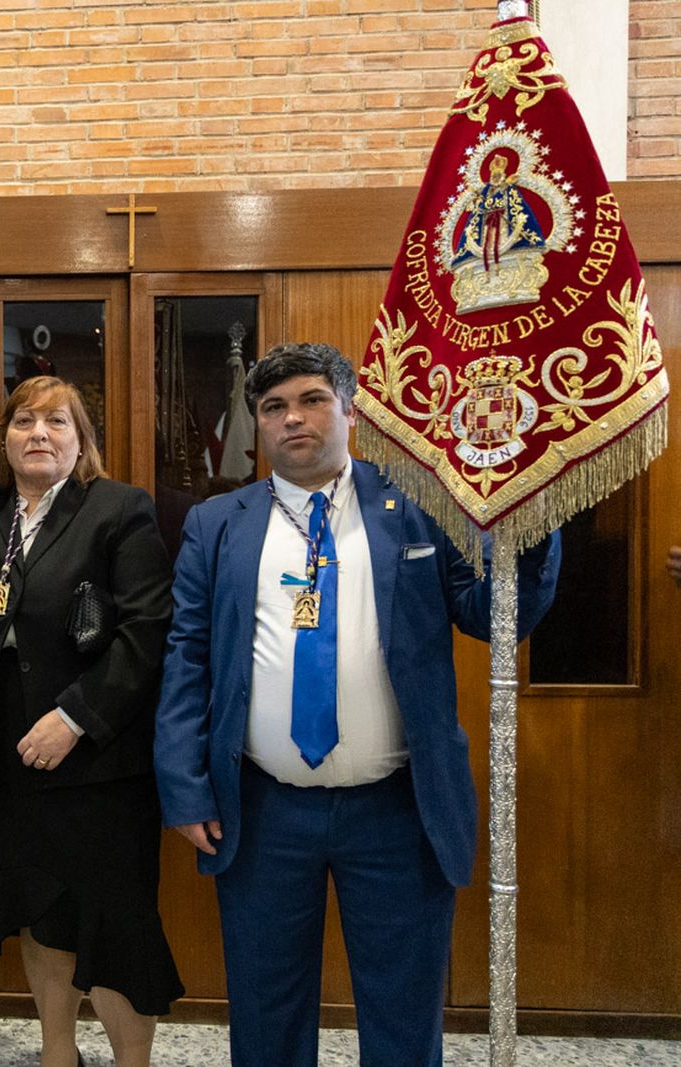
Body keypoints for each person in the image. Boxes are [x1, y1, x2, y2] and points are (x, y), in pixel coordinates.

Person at [153, 342, 561, 1067]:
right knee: (265, 1012)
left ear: (351, 409)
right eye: (273, 407)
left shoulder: (420, 504)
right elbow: (187, 655)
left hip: (398, 811)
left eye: (311, 399)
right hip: (263, 808)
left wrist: (531, 528)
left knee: (403, 1016)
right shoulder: (217, 524)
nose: (291, 419)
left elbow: (491, 613)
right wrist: (184, 787)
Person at [0, 377, 183, 1067]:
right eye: (24, 420)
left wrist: (75, 717)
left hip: (99, 762)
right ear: (3, 438)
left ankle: (132, 1062)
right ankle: (57, 1053)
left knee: (115, 922)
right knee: (41, 912)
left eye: (57, 421)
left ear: (81, 438)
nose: (39, 432)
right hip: (7, 756)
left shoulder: (118, 509)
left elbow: (147, 631)